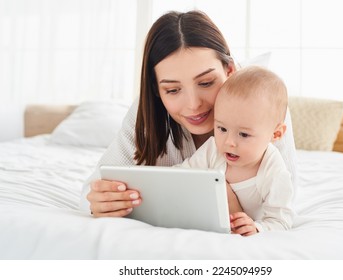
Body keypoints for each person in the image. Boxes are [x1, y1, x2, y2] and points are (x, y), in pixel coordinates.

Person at [80, 10, 297, 219]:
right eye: (173, 90)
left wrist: (231, 204)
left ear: (229, 71)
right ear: (157, 89)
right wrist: (100, 201)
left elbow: (282, 205)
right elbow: (92, 189)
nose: (193, 105)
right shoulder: (147, 111)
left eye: (205, 83)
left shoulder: (262, 105)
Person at [178, 66, 294, 236]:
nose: (229, 142)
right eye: (222, 128)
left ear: (275, 134)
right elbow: (182, 174)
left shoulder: (273, 169)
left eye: (244, 134)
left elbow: (281, 220)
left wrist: (257, 227)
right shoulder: (213, 149)